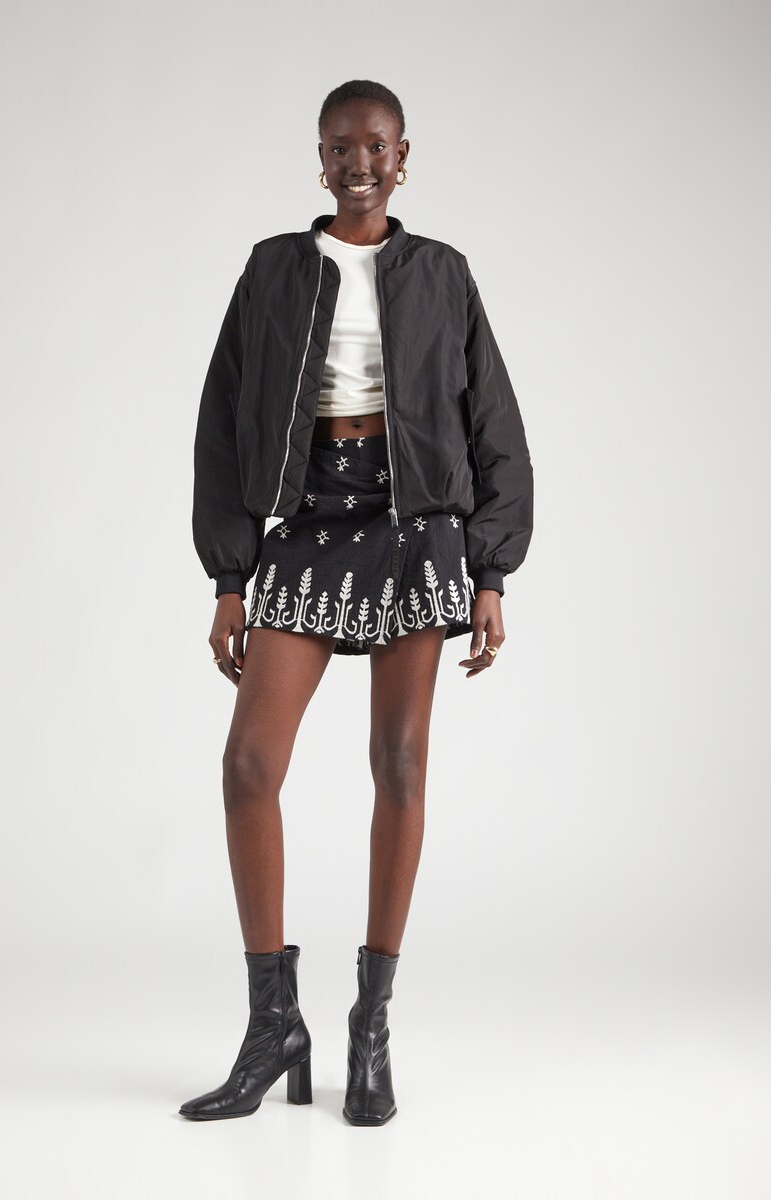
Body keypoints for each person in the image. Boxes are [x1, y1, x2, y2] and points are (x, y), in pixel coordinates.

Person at [181, 79, 533, 1125]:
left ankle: (370, 1026)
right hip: (307, 521)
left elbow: (495, 422)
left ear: (403, 157)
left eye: (377, 146)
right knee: (250, 765)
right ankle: (271, 1025)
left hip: (415, 525)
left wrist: (490, 570)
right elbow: (221, 420)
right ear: (321, 159)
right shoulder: (272, 270)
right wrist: (232, 576)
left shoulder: (443, 275)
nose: (360, 162)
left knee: (402, 761)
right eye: (342, 146)